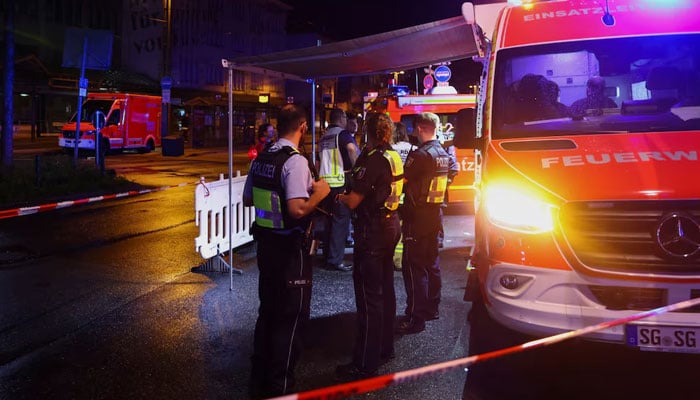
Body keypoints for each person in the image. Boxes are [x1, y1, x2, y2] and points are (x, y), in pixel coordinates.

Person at [243, 104, 331, 398]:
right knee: (291, 319)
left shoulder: (263, 158)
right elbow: (297, 209)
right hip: (291, 251)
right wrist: (320, 191)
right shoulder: (295, 162)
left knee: (267, 312)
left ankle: (258, 380)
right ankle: (280, 387)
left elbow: (247, 199)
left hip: (266, 247)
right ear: (303, 127)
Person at [335, 112, 404, 380]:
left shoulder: (374, 160)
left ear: (369, 131)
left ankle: (365, 362)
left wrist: (340, 198)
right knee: (386, 292)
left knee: (368, 298)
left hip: (373, 231)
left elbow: (353, 200)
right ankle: (385, 348)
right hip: (391, 227)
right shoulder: (393, 155)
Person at [397, 112, 450, 335]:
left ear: (419, 128)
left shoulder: (420, 155)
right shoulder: (443, 153)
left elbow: (403, 178)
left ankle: (415, 317)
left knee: (414, 268)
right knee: (432, 264)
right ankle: (431, 308)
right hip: (435, 215)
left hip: (417, 216)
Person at [317, 108, 360, 271]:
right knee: (340, 222)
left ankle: (328, 257)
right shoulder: (342, 134)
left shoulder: (324, 137)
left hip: (325, 185)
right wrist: (357, 169)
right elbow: (351, 149)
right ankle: (335, 260)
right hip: (340, 182)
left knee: (328, 222)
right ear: (341, 118)